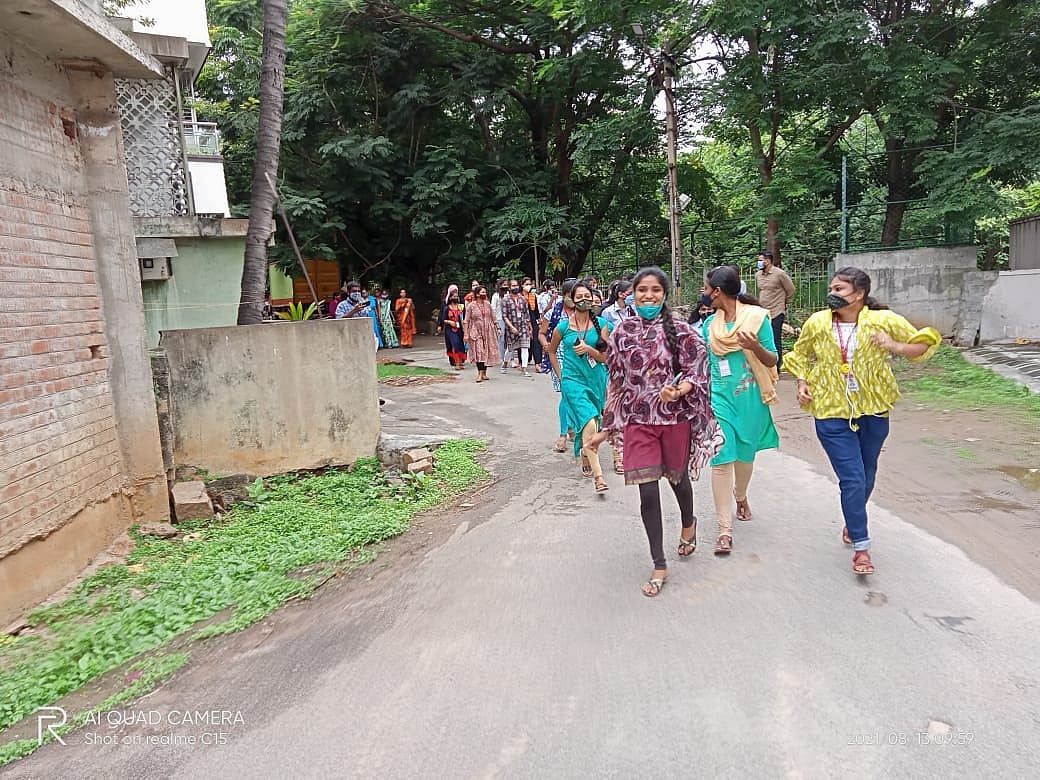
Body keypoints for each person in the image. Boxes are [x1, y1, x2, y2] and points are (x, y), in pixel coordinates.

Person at [784, 266, 941, 576]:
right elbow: (799, 354)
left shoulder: (883, 321)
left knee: (867, 473)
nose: (832, 294)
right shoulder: (818, 323)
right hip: (830, 410)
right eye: (832, 288)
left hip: (873, 409)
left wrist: (895, 346)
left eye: (840, 289)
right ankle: (861, 546)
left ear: (859, 294)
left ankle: (852, 518)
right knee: (853, 478)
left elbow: (925, 343)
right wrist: (802, 380)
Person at [589, 266, 722, 598]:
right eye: (642, 290)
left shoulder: (682, 331)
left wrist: (679, 391)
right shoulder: (621, 332)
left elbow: (698, 371)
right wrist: (606, 428)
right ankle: (659, 563)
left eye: (655, 291)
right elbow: (616, 382)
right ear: (632, 294)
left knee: (678, 480)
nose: (648, 296)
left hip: (674, 421)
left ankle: (688, 522)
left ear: (664, 295)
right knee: (647, 493)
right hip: (638, 423)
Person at [699, 265, 780, 555]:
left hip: (751, 399)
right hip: (719, 398)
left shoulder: (758, 319)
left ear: (717, 292)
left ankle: (741, 495)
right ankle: (724, 529)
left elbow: (772, 360)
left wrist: (755, 346)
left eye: (706, 288)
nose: (703, 293)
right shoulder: (710, 326)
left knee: (745, 458)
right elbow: (706, 365)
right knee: (721, 458)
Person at [547, 281, 612, 493]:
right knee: (590, 422)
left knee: (593, 422)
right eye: (579, 296)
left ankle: (585, 453)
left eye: (587, 296)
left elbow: (605, 358)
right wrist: (560, 375)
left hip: (596, 380)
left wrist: (588, 350)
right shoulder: (563, 327)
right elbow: (551, 350)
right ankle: (599, 476)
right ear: (570, 300)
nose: (584, 300)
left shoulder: (601, 324)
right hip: (573, 381)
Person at [540, 279, 578, 453]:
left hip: (579, 360)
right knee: (566, 393)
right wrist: (546, 345)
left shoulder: (583, 313)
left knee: (574, 396)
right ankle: (564, 434)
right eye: (572, 295)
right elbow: (541, 333)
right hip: (559, 360)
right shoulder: (554, 314)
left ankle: (571, 428)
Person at [755, 251, 795, 371]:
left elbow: (791, 289)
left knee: (775, 338)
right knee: (763, 338)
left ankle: (776, 366)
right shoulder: (758, 274)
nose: (759, 263)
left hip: (777, 310)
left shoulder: (780, 274)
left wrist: (785, 303)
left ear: (767, 261)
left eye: (761, 260)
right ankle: (766, 365)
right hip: (763, 312)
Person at [464, 284, 501, 383]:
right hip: (476, 331)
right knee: (479, 352)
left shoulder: (487, 304)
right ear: (477, 294)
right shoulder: (471, 306)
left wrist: (498, 328)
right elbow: (466, 321)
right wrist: (466, 334)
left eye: (485, 292)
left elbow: (493, 317)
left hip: (488, 331)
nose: (484, 294)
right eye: (482, 292)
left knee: (486, 352)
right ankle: (479, 373)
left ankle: (484, 373)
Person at [502, 278, 533, 377]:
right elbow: (504, 316)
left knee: (525, 347)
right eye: (513, 286)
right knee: (510, 348)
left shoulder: (523, 299)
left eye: (516, 285)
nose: (515, 288)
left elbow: (526, 313)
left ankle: (524, 368)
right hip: (512, 326)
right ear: (509, 288)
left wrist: (529, 326)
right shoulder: (505, 300)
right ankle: (505, 363)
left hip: (523, 325)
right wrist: (511, 327)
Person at [438, 284, 467, 369]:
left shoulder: (461, 307)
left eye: (457, 296)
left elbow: (464, 318)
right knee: (455, 344)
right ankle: (456, 363)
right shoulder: (447, 308)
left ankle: (460, 361)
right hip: (450, 330)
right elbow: (443, 319)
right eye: (454, 296)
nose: (456, 298)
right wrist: (450, 322)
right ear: (450, 297)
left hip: (460, 329)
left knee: (461, 345)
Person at [524, 278, 543, 370]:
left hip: (532, 319)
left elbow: (535, 310)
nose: (529, 286)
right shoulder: (519, 297)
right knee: (524, 342)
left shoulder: (532, 296)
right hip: (522, 321)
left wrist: (539, 321)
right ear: (522, 286)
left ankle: (538, 363)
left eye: (530, 284)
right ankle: (523, 361)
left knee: (536, 340)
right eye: (526, 284)